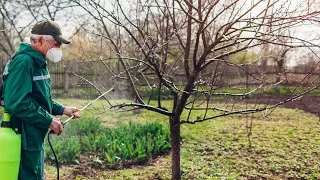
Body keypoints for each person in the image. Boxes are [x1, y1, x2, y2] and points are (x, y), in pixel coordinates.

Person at [1, 20, 81, 180]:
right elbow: (17, 103)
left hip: (33, 134)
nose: (58, 49)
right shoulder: (25, 63)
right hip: (23, 135)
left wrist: (63, 109)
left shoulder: (37, 62)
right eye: (56, 44)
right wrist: (48, 120)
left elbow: (39, 99)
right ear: (40, 40)